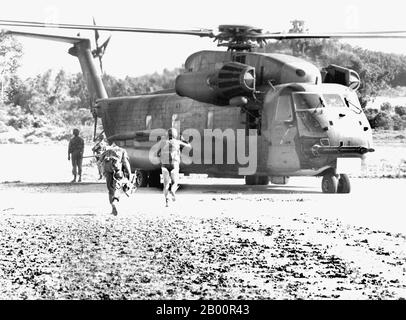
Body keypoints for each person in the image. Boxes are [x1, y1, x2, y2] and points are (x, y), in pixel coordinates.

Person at [157, 128, 191, 207]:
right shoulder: (178, 142)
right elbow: (189, 147)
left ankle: (167, 201)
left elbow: (158, 154)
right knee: (175, 182)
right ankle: (172, 191)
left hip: (164, 165)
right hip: (174, 164)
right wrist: (184, 140)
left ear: (167, 135)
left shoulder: (162, 143)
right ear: (175, 135)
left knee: (165, 184)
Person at [99, 140, 132, 216]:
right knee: (117, 188)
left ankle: (112, 208)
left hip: (108, 171)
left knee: (110, 190)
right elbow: (125, 162)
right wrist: (129, 173)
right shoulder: (122, 150)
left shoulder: (107, 150)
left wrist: (102, 172)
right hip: (117, 171)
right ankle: (115, 202)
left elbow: (100, 161)